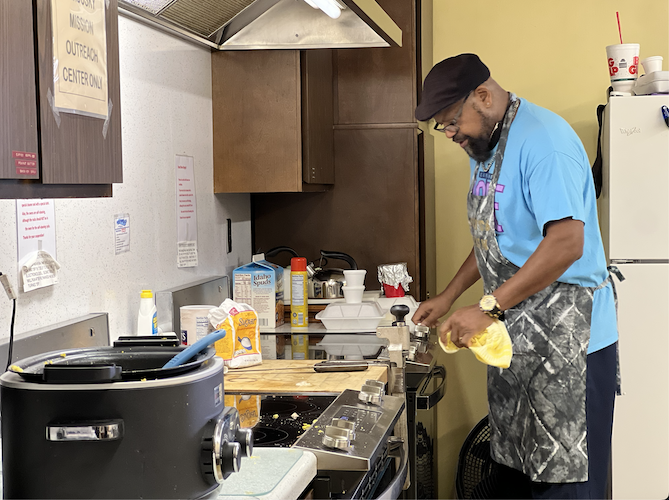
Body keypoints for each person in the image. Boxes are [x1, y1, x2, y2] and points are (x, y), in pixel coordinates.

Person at [413, 53, 619, 499]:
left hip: (571, 346)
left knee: (569, 484)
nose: (451, 136)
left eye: (451, 123)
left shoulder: (545, 142)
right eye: (442, 128)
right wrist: (449, 295)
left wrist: (487, 307)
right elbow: (495, 233)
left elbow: (566, 243)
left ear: (483, 97)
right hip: (518, 342)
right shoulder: (485, 145)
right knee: (518, 476)